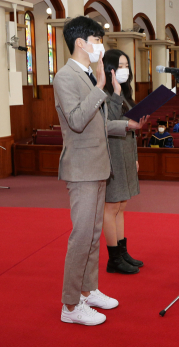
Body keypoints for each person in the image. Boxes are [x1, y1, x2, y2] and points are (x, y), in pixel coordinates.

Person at [54, 16, 148, 326]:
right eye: (97, 41)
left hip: (98, 166)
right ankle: (70, 306)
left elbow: (101, 124)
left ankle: (89, 289)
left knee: (94, 235)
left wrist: (125, 124)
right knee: (81, 237)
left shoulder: (88, 74)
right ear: (81, 43)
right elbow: (77, 120)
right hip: (81, 168)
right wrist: (99, 87)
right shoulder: (66, 77)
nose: (100, 46)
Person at [101, 49, 143, 276]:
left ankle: (122, 251)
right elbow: (108, 124)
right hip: (111, 156)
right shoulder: (103, 95)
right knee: (111, 206)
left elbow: (132, 130)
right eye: (120, 66)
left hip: (125, 154)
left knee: (122, 205)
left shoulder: (125, 94)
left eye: (127, 65)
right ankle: (113, 258)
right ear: (109, 70)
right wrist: (116, 93)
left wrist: (135, 157)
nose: (125, 70)